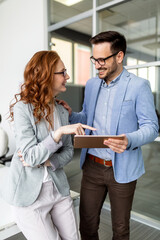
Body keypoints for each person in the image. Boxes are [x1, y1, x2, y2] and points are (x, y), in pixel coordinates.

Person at [60, 31, 159, 240]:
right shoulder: (92, 84)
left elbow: (151, 126)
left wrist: (129, 140)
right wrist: (71, 114)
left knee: (121, 229)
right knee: (87, 225)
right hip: (92, 167)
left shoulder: (138, 86)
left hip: (122, 168)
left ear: (119, 56)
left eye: (102, 59)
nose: (97, 65)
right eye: (94, 59)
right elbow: (87, 116)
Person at [3, 50, 95, 240]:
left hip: (58, 189)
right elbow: (29, 157)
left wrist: (48, 161)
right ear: (46, 75)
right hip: (29, 197)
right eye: (63, 72)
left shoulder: (62, 110)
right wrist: (58, 133)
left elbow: (69, 151)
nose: (67, 76)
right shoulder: (23, 109)